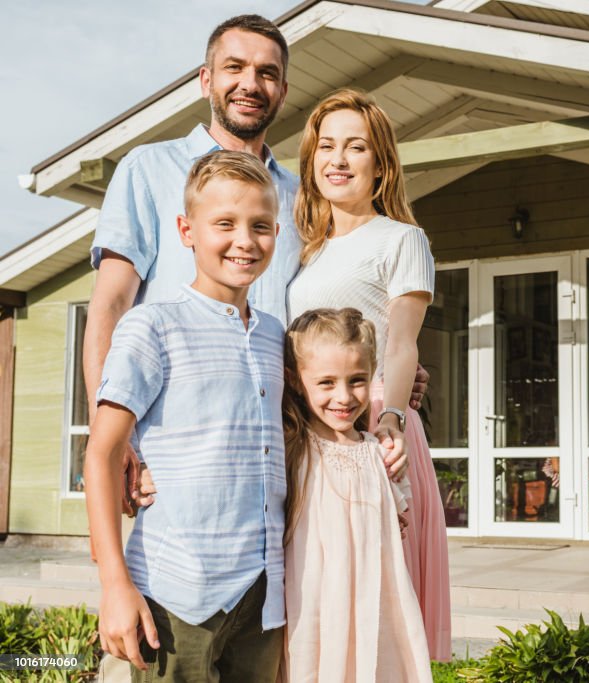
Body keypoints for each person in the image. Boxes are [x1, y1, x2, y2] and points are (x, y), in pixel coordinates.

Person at [84, 14, 422, 517]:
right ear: (206, 79)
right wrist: (109, 439)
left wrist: (389, 371)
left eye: (266, 73)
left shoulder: (301, 198)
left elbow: (344, 291)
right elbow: (109, 307)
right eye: (234, 67)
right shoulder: (147, 170)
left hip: (282, 446)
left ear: (283, 91)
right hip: (175, 451)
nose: (249, 84)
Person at [85, 151, 287, 681]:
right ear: (186, 230)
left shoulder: (274, 337)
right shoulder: (152, 327)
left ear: (277, 232)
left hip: (262, 596)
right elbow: (102, 455)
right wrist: (114, 584)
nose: (244, 240)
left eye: (260, 226)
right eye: (224, 223)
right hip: (179, 597)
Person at [286, 88, 452, 660]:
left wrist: (391, 422)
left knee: (376, 592)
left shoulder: (402, 239)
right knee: (321, 590)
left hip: (372, 431)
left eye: (355, 147)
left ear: (379, 165)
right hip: (312, 432)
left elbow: (403, 345)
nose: (337, 159)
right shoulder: (305, 250)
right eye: (325, 146)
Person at [281, 307, 431, 682]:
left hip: (373, 602)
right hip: (312, 604)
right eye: (327, 382)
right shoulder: (292, 449)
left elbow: (396, 528)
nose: (344, 396)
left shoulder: (381, 453)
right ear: (298, 382)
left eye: (357, 380)